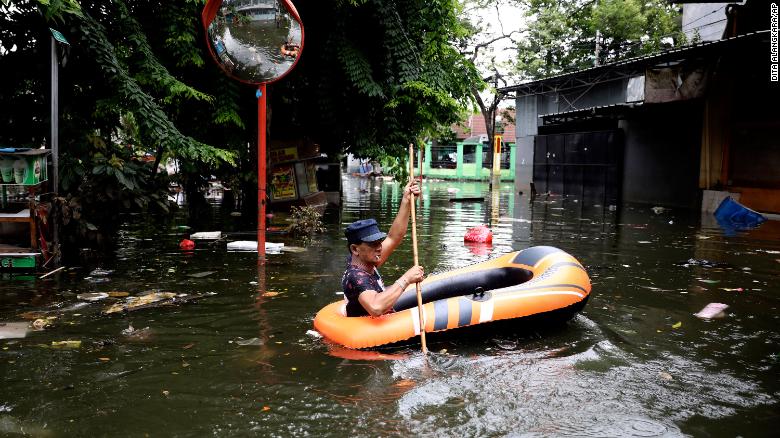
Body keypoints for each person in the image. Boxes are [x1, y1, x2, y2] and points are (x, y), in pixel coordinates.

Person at [341, 181, 424, 317]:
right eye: (373, 244)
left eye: (379, 242)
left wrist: (406, 201)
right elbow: (375, 307)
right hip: (368, 333)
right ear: (355, 249)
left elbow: (393, 237)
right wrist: (406, 278)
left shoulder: (365, 261)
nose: (379, 247)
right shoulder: (356, 277)